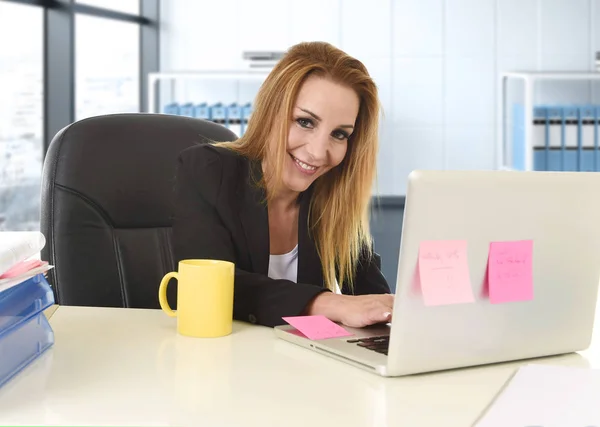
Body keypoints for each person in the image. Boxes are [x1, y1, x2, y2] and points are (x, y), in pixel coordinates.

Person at [172, 41, 394, 328]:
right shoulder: (208, 170)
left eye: (339, 134)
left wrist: (398, 310)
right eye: (305, 122)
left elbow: (370, 295)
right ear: (271, 113)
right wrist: (325, 303)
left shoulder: (331, 194)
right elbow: (212, 285)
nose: (317, 152)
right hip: (212, 356)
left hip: (293, 365)